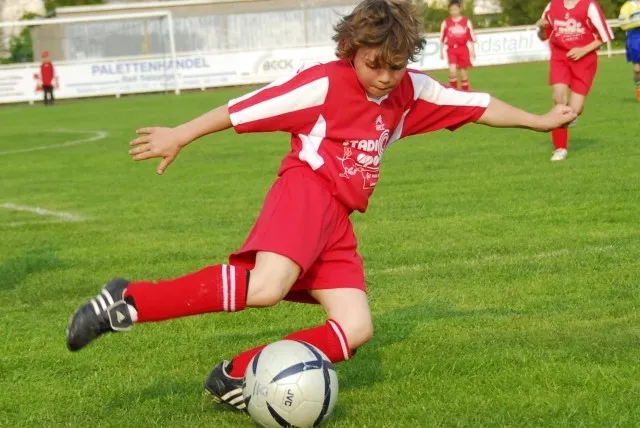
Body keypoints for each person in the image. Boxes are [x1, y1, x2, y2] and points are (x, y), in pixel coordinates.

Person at [66, 0, 576, 413]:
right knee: (266, 287)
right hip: (306, 191)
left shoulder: (411, 91)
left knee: (355, 328)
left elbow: (478, 105)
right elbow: (244, 108)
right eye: (374, 64)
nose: (385, 76)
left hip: (339, 220)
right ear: (351, 50)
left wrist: (541, 121)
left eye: (396, 65)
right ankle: (129, 300)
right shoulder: (323, 84)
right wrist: (181, 133)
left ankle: (238, 374)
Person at [536, 0, 613, 161]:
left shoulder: (589, 5)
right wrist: (542, 28)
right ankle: (560, 148)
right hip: (560, 58)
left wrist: (583, 50)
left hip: (584, 61)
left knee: (574, 110)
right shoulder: (552, 6)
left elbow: (605, 36)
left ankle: (570, 116)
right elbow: (544, 37)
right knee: (559, 100)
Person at [440, 0, 477, 91]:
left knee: (463, 73)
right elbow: (442, 38)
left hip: (463, 49)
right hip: (451, 49)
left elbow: (471, 37)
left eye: (455, 9)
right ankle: (454, 91)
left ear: (460, 9)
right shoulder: (446, 22)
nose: (453, 12)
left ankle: (465, 92)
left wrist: (473, 51)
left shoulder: (466, 21)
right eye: (451, 10)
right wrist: (441, 51)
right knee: (452, 71)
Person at [619, 0, 640, 102]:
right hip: (634, 38)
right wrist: (637, 23)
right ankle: (638, 88)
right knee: (637, 69)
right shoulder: (627, 6)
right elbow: (623, 24)